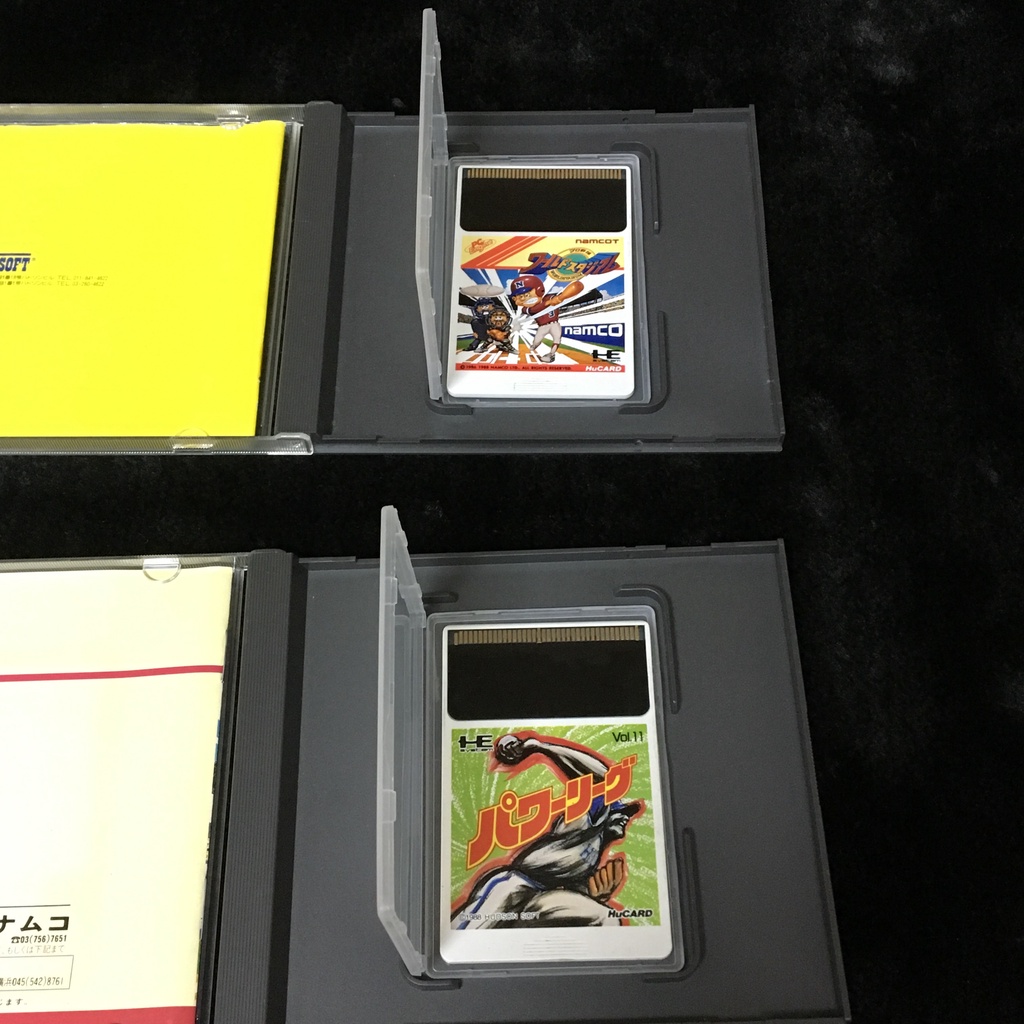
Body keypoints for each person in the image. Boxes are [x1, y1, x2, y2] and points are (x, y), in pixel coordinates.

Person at [452, 733, 641, 929]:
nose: (626, 818)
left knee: (607, 918)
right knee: (469, 932)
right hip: (514, 888)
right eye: (622, 812)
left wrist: (596, 895)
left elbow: (570, 888)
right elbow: (605, 778)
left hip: (540, 901)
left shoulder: (594, 854)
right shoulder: (588, 821)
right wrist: (539, 747)